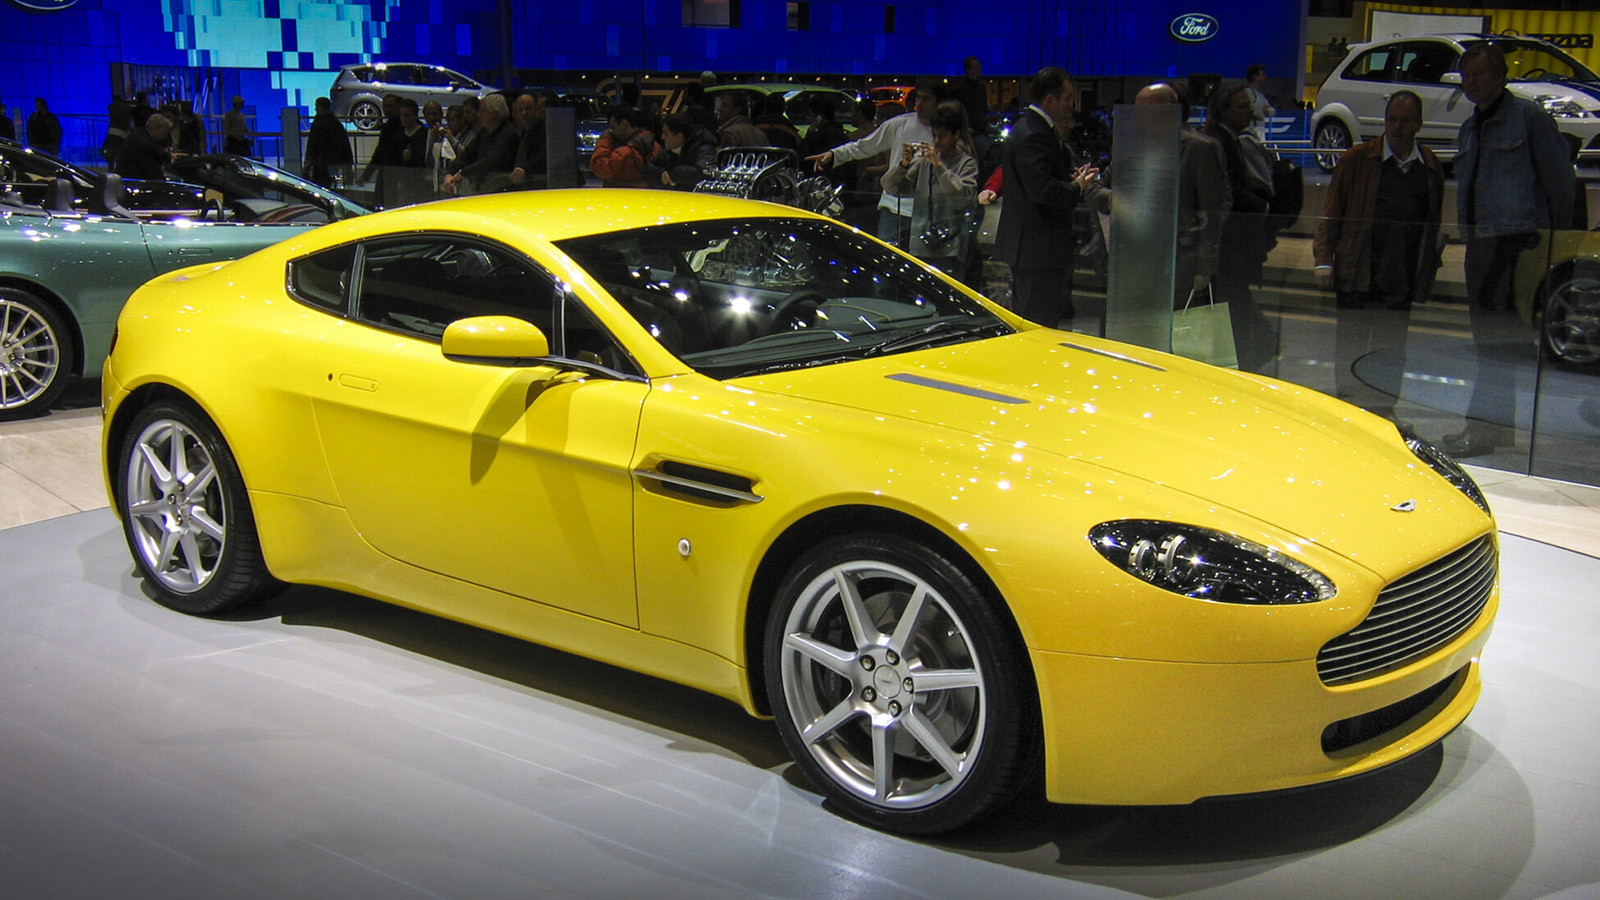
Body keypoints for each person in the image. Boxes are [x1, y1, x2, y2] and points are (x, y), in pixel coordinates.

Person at [1446, 42, 1578, 457]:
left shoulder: (1529, 118)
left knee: (1500, 343)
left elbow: (1561, 184)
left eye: (1480, 74)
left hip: (1518, 244)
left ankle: (1484, 430)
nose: (1472, 82)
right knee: (1487, 343)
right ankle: (1496, 429)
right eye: (1466, 76)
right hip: (1481, 245)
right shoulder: (1470, 128)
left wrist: (1556, 243)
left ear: (1501, 76)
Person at [1313, 90, 1443, 310]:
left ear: (1418, 125)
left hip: (1403, 277)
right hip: (1357, 274)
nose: (1397, 127)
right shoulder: (1355, 160)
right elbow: (1331, 213)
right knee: (1353, 332)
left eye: (1405, 120)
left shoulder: (1429, 165)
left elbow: (1433, 220)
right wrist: (1323, 260)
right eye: (1392, 119)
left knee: (1395, 332)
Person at [994, 67, 1098, 323]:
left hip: (1032, 248)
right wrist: (1077, 186)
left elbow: (1040, 180)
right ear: (1050, 99)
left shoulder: (1028, 127)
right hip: (1037, 250)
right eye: (1068, 98)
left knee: (1032, 320)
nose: (1072, 104)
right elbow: (1042, 190)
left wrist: (1071, 180)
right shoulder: (1035, 133)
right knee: (1038, 323)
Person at [808, 78, 942, 248]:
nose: (920, 104)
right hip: (894, 207)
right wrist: (834, 154)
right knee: (886, 256)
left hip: (930, 210)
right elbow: (865, 146)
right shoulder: (900, 124)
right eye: (918, 98)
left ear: (939, 102)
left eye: (926, 99)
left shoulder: (945, 131)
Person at [1202, 79, 1277, 371]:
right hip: (1228, 244)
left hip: (1234, 244)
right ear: (1224, 111)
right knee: (1234, 306)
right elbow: (1228, 192)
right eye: (1242, 107)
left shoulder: (1230, 139)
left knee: (1236, 306)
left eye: (1250, 105)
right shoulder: (1219, 142)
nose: (1250, 111)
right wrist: (1262, 207)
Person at [881, 100, 978, 275]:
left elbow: (960, 196)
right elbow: (890, 186)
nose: (936, 141)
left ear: (956, 134)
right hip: (920, 244)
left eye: (942, 136)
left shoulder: (967, 163)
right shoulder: (925, 163)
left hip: (950, 247)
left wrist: (939, 166)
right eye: (933, 135)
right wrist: (903, 165)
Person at [444, 92, 517, 194]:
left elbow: (490, 161)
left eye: (483, 111)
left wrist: (463, 173)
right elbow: (467, 154)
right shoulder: (484, 131)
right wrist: (450, 173)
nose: (479, 115)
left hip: (503, 188)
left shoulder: (508, 133)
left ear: (494, 114)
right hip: (484, 188)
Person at [589, 105, 658, 188]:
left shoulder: (624, 153)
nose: (613, 132)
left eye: (614, 127)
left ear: (624, 124)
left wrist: (605, 139)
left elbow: (599, 166)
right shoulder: (655, 146)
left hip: (620, 194)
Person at [646, 111, 717, 191]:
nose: (662, 137)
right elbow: (649, 168)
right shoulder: (669, 150)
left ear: (679, 136)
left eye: (666, 134)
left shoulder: (704, 148)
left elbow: (704, 174)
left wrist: (673, 173)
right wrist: (661, 173)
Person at [951, 55, 992, 174]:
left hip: (980, 130)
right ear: (968, 70)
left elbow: (983, 110)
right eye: (975, 67)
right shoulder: (960, 89)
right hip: (966, 132)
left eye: (979, 67)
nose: (978, 70)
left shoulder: (981, 88)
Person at [303, 96, 353, 188]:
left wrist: (308, 164)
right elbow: (344, 144)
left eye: (316, 106)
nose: (315, 109)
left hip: (320, 164)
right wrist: (348, 163)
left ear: (320, 107)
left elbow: (312, 145)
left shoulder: (318, 124)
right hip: (334, 162)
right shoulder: (336, 123)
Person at [510, 91, 554, 188]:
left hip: (539, 184)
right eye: (520, 110)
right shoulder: (522, 132)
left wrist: (525, 169)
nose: (524, 113)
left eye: (528, 108)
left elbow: (542, 156)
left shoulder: (545, 131)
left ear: (536, 109)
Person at [114, 113, 174, 180]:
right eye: (164, 133)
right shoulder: (146, 146)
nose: (165, 136)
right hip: (133, 181)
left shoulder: (138, 133)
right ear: (157, 129)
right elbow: (155, 174)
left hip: (124, 178)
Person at [753, 92, 801, 157]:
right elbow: (800, 146)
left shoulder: (754, 128)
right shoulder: (790, 130)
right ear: (783, 108)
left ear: (765, 107)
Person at [1245, 64, 1274, 140]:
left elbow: (1272, 111)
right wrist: (1263, 110)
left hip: (1261, 130)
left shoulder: (1261, 95)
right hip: (1251, 130)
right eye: (1262, 75)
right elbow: (1254, 111)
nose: (1264, 77)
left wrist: (1261, 109)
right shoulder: (1247, 92)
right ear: (1255, 76)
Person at [102, 94, 132, 163]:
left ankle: (111, 166)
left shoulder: (111, 108)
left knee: (110, 154)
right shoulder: (126, 109)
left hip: (111, 133)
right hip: (122, 134)